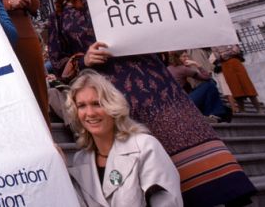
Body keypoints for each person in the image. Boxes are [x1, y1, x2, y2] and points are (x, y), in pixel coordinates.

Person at [41, 0, 255, 206]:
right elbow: (57, 63)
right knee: (147, 162)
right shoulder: (58, 19)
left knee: (190, 147)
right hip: (115, 96)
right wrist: (83, 59)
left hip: (156, 87)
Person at [65, 70, 182, 207]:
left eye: (97, 104)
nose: (90, 113)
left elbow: (167, 203)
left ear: (112, 106)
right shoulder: (80, 159)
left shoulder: (145, 146)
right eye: (82, 106)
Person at [166, 51, 230, 123]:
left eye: (187, 56)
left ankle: (211, 114)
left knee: (206, 90)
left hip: (174, 104)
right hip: (183, 104)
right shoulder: (183, 69)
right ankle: (214, 113)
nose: (187, 58)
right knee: (210, 83)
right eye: (184, 56)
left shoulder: (168, 68)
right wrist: (196, 64)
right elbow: (207, 77)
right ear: (177, 58)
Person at [212, 45, 261, 113]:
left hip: (236, 63)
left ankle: (259, 109)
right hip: (226, 66)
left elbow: (235, 51)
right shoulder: (214, 45)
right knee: (234, 87)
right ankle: (242, 110)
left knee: (247, 85)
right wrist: (228, 53)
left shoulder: (230, 39)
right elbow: (218, 57)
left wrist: (224, 53)